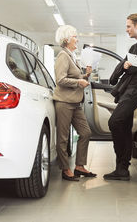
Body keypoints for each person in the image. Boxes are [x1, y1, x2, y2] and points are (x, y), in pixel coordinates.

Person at [104, 13, 137, 181]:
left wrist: (126, 66)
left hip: (135, 90)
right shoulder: (134, 47)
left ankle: (122, 165)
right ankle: (122, 168)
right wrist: (116, 74)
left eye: (128, 26)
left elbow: (132, 67)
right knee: (124, 126)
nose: (126, 30)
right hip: (128, 89)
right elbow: (123, 63)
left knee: (115, 122)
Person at [53, 25, 97, 181]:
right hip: (64, 102)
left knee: (86, 133)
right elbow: (60, 79)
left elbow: (76, 78)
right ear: (66, 39)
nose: (77, 39)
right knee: (63, 138)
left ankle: (79, 166)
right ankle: (65, 169)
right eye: (74, 37)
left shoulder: (71, 55)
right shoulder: (63, 56)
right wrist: (79, 82)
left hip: (75, 103)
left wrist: (86, 75)